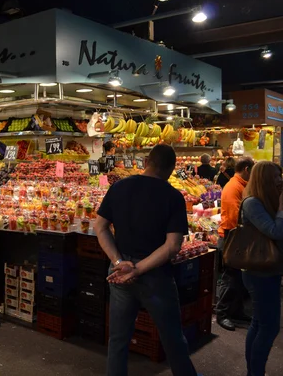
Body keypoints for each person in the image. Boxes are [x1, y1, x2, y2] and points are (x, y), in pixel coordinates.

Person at [94, 144, 197, 376]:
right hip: (155, 275)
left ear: (147, 161)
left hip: (120, 273)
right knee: (172, 338)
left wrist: (119, 263)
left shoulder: (119, 187)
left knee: (118, 339)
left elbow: (100, 226)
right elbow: (172, 246)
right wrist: (137, 269)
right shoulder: (173, 197)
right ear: (171, 169)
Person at [239, 161, 283, 376]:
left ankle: (254, 371)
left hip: (268, 269)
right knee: (269, 326)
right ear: (264, 178)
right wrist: (282, 209)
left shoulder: (265, 200)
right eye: (275, 176)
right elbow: (275, 231)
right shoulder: (252, 203)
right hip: (258, 271)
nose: (280, 180)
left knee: (259, 322)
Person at [216, 157, 254, 331]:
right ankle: (221, 314)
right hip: (231, 237)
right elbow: (232, 218)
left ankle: (236, 311)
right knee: (229, 278)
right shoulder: (233, 187)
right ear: (246, 169)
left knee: (238, 279)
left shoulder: (241, 185)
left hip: (237, 237)